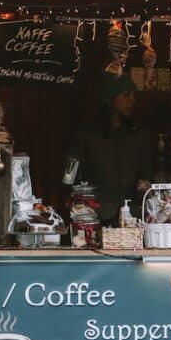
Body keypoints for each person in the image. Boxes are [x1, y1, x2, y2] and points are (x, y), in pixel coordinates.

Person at [66, 74, 151, 226]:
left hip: (131, 219)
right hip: (92, 218)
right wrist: (80, 203)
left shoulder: (136, 136)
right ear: (110, 98)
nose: (132, 100)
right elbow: (69, 177)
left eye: (133, 95)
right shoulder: (86, 134)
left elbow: (145, 176)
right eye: (126, 95)